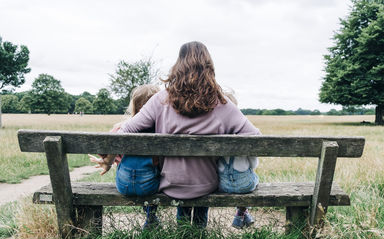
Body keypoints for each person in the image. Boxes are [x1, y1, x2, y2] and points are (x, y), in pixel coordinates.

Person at [98, 41, 261, 228]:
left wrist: (108, 158)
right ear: (209, 68)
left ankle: (182, 238)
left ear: (178, 66)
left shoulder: (160, 99)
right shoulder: (222, 104)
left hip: (171, 184)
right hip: (206, 184)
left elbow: (125, 131)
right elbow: (256, 138)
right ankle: (198, 237)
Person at [89, 84, 161, 228]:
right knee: (153, 172)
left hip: (124, 185)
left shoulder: (121, 127)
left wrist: (106, 162)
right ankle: (151, 216)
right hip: (150, 187)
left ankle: (150, 217)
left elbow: (105, 149)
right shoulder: (161, 130)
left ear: (134, 106)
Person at [219, 90, 259, 229]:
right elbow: (253, 164)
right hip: (245, 185)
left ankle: (242, 215)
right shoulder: (245, 134)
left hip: (223, 185)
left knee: (236, 182)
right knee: (254, 177)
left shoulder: (216, 135)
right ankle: (241, 212)